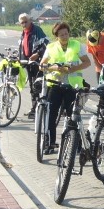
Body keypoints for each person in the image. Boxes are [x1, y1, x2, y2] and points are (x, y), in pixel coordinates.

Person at [39, 22, 91, 154]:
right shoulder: (50, 47)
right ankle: (50, 143)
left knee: (72, 115)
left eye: (66, 34)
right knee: (51, 114)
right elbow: (42, 66)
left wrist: (73, 68)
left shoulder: (77, 45)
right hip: (55, 84)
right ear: (56, 36)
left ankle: (76, 144)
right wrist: (54, 67)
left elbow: (87, 62)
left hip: (72, 86)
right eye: (61, 34)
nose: (64, 36)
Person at [17, 13, 49, 118]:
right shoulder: (23, 33)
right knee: (32, 86)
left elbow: (46, 44)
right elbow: (22, 47)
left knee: (38, 86)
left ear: (30, 20)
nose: (25, 24)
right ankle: (35, 108)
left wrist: (38, 54)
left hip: (38, 63)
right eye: (22, 22)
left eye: (26, 21)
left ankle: (39, 109)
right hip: (28, 64)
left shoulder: (37, 30)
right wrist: (19, 58)